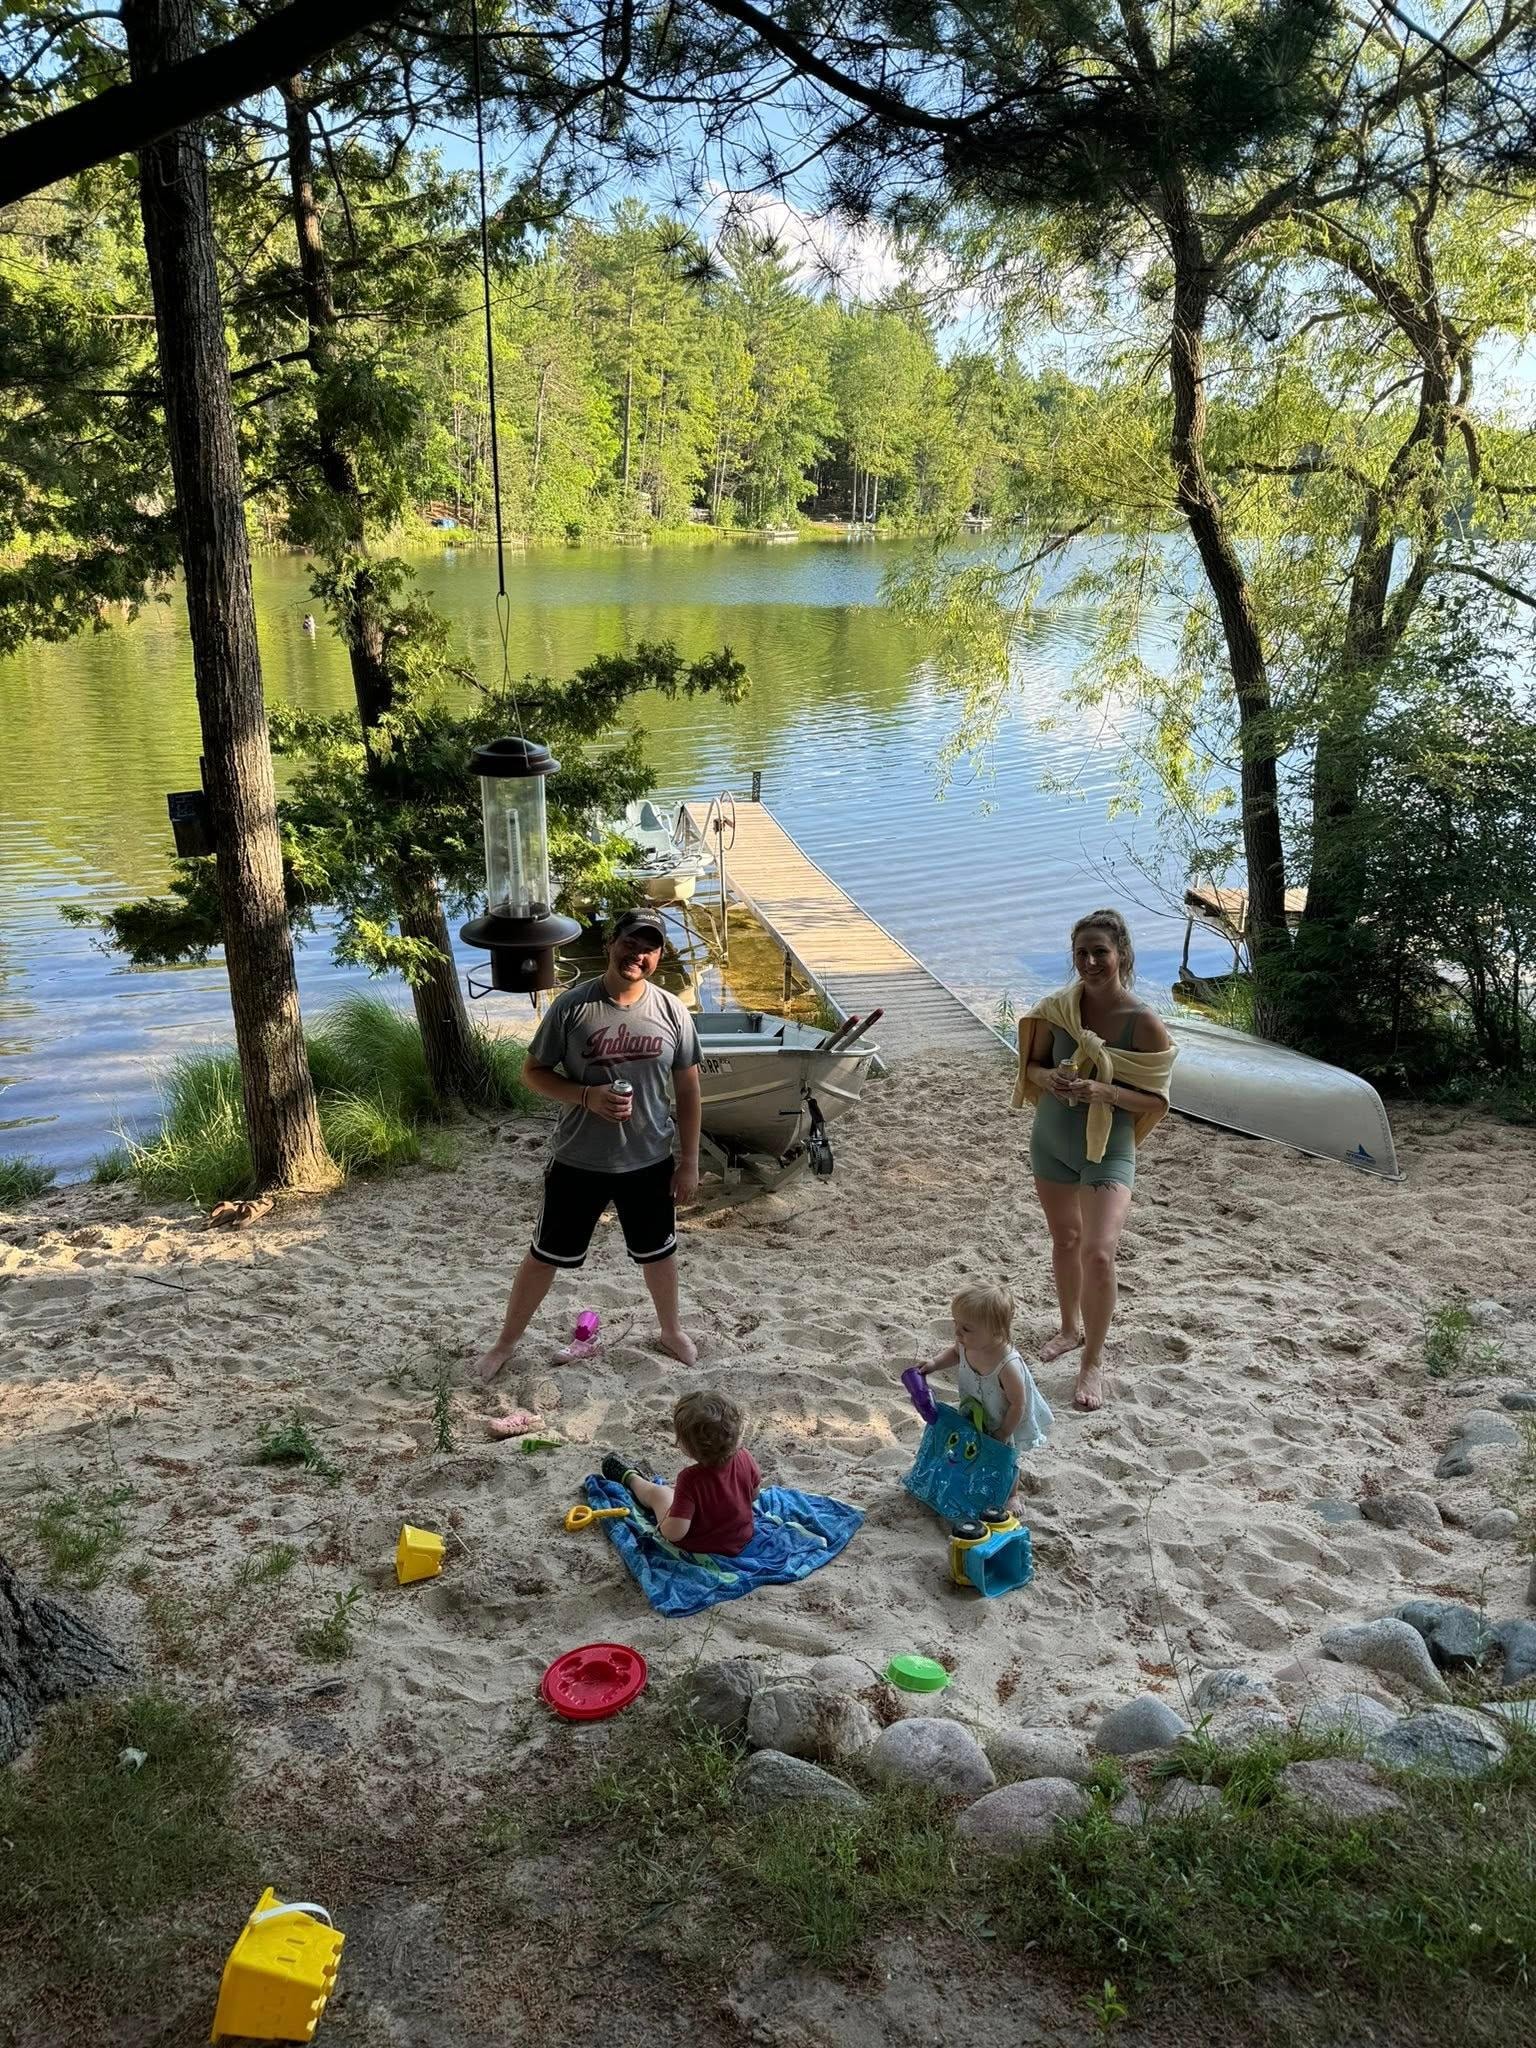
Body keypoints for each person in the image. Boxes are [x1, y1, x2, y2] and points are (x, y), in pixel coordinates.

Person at [475, 907, 702, 1381]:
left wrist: (689, 1163)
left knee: (659, 1253)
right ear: (610, 944)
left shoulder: (672, 1010)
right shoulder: (573, 1007)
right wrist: (586, 1096)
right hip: (579, 1159)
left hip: (649, 1159)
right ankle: (505, 1343)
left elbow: (688, 1091)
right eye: (630, 943)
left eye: (649, 948)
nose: (637, 955)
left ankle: (670, 1330)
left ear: (660, 956)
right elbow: (533, 1073)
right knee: (544, 1255)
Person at [1013, 909, 1176, 1413]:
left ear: (1121, 954)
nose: (1089, 962)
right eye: (1081, 953)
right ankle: (1069, 1329)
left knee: (1099, 1253)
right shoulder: (1058, 1009)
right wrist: (1050, 1079)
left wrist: (1106, 1091)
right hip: (1051, 1140)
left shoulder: (1143, 1022)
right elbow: (1030, 1066)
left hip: (1108, 1148)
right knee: (1065, 1239)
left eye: (1100, 952)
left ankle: (1093, 1360)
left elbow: (1158, 1101)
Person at [909, 1283, 1052, 1517]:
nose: (958, 1333)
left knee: (1005, 1456)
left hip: (1004, 1417)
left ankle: (1012, 1494)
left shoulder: (1007, 1365)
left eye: (966, 1328)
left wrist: (1004, 1432)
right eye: (956, 1323)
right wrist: (934, 1364)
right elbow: (954, 1353)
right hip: (976, 1406)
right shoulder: (968, 1344)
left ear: (996, 1331)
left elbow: (1019, 1404)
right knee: (973, 1442)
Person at [603, 1390, 760, 1556]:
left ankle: (632, 1478)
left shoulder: (690, 1479)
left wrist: (664, 1523)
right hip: (742, 1537)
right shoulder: (745, 1456)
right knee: (681, 1496)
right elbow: (754, 1495)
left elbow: (675, 1533)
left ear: (687, 1446)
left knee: (660, 1493)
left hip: (702, 1545)